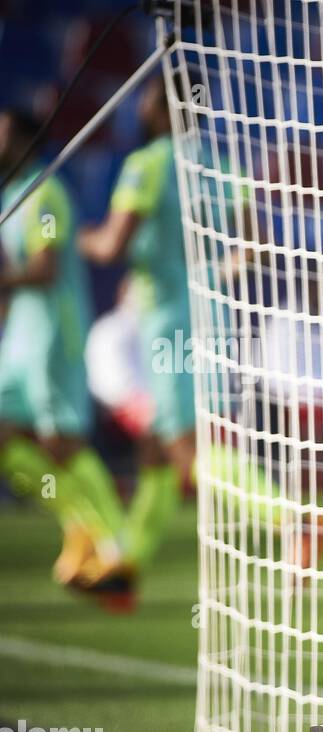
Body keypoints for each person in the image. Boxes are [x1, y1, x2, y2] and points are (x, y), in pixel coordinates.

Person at [0, 108, 128, 608]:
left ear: (27, 141)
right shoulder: (14, 197)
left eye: (4, 135)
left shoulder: (46, 196)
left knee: (64, 445)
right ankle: (79, 523)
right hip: (21, 340)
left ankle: (117, 547)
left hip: (54, 337)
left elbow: (46, 268)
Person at [78, 72, 194, 594]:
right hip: (212, 318)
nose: (143, 103)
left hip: (165, 318)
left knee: (179, 444)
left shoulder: (146, 165)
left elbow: (111, 248)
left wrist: (71, 239)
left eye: (151, 95)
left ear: (164, 108)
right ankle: (125, 564)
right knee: (157, 450)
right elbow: (250, 246)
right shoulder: (224, 163)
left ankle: (286, 518)